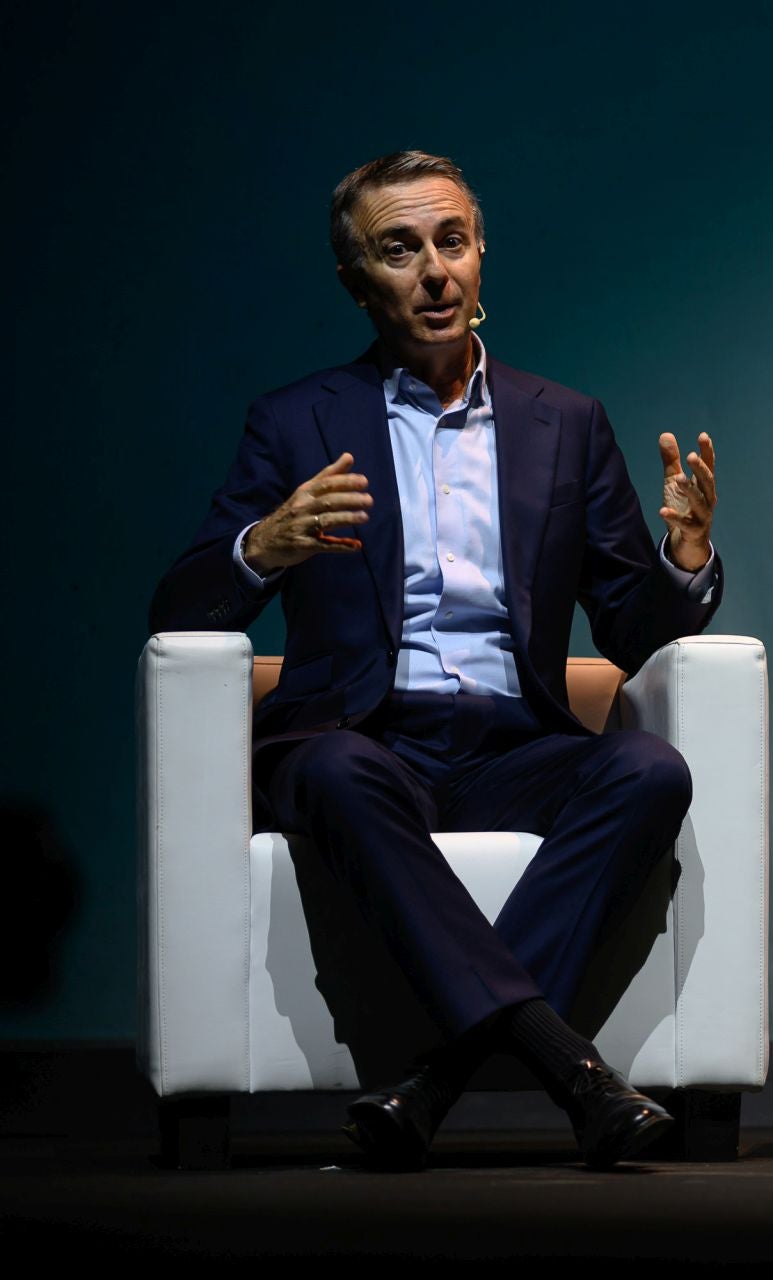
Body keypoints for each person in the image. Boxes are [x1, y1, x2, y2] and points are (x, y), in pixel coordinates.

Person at [149, 151, 724, 1170]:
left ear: (480, 256)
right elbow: (181, 603)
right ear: (355, 278)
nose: (433, 273)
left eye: (450, 242)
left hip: (515, 744)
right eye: (399, 249)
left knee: (651, 768)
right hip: (368, 741)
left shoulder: (567, 424)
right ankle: (570, 1069)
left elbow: (632, 630)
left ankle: (433, 1080)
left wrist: (685, 565)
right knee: (327, 767)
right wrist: (262, 545)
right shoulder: (296, 422)